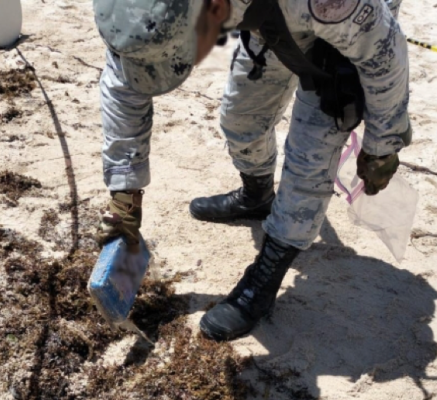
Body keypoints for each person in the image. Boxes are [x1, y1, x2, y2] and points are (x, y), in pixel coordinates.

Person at [93, 0, 411, 341]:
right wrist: (124, 191)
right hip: (270, 17)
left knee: (310, 159)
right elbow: (124, 83)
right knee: (241, 118)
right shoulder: (130, 12)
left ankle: (264, 279)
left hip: (346, 31)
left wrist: (382, 144)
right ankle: (257, 195)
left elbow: (385, 57)